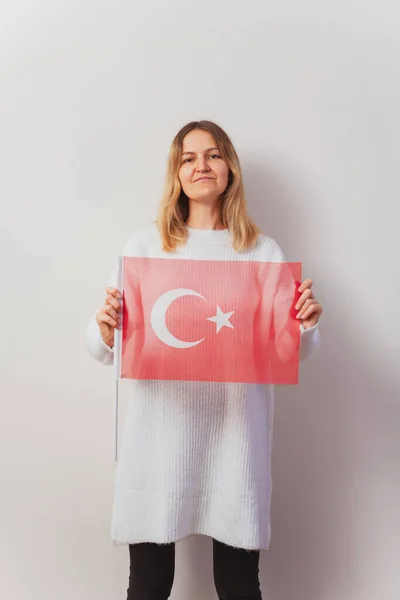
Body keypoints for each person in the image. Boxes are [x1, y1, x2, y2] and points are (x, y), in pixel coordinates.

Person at [85, 120, 323, 600]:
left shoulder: (260, 252)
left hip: (235, 442)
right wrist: (105, 327)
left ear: (229, 168)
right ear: (176, 173)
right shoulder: (146, 247)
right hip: (158, 440)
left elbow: (288, 351)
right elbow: (101, 347)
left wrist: (305, 324)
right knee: (149, 584)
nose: (201, 165)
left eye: (213, 155)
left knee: (237, 585)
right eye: (188, 157)